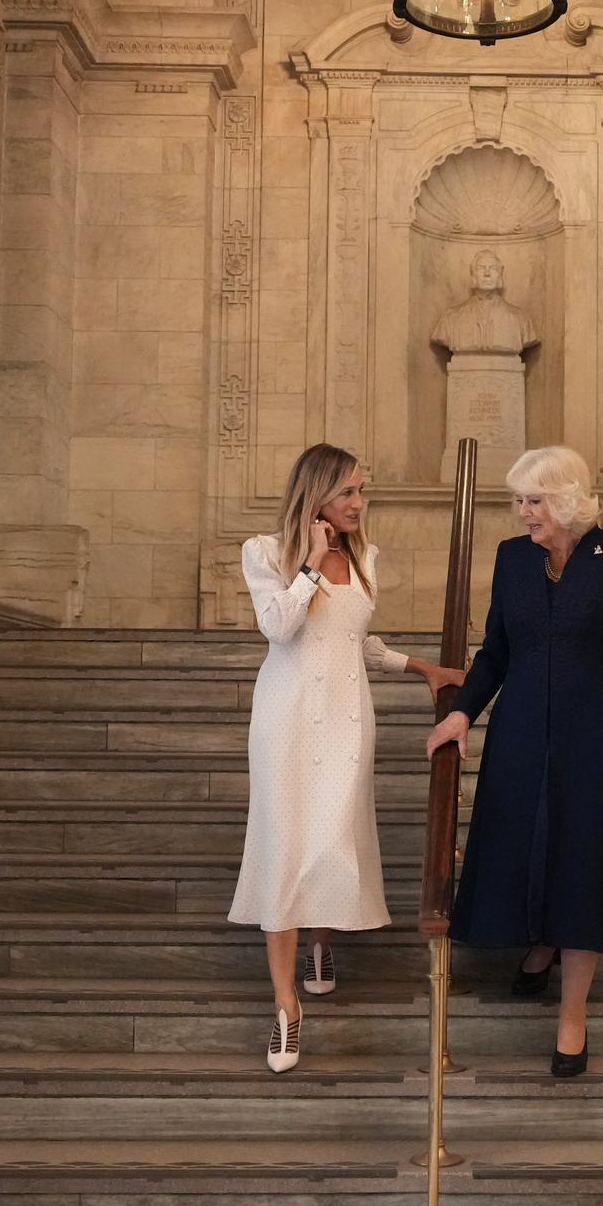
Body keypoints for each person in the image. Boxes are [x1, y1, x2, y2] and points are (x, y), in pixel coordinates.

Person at [231, 445, 461, 1073]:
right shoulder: (264, 552)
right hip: (284, 719)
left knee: (332, 839)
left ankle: (320, 940)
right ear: (317, 495)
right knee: (284, 846)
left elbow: (351, 641)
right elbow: (279, 627)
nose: (360, 503)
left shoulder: (365, 558)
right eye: (349, 492)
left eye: (363, 491)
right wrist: (310, 562)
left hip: (345, 720)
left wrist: (420, 667)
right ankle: (286, 1005)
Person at [425, 445, 603, 1078]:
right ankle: (539, 942)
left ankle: (572, 1015)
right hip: (520, 733)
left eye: (535, 501)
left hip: (594, 737)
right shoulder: (512, 557)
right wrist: (462, 713)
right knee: (525, 847)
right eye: (520, 501)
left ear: (568, 500)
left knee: (584, 866)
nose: (524, 513)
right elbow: (495, 650)